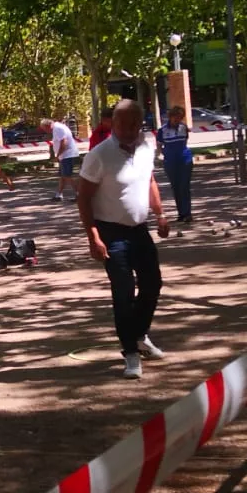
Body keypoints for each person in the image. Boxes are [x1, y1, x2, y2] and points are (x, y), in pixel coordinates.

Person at [76, 100, 170, 381]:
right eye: (124, 123)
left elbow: (150, 180)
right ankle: (130, 351)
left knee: (152, 284)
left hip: (139, 229)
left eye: (135, 123)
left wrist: (161, 213)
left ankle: (140, 335)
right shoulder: (99, 155)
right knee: (124, 291)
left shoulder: (145, 146)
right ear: (112, 123)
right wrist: (93, 237)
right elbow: (83, 198)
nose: (130, 129)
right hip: (110, 232)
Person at [158, 105, 193, 226]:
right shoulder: (162, 130)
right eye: (175, 118)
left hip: (185, 160)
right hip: (170, 161)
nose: (177, 120)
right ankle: (181, 213)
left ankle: (187, 213)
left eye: (180, 118)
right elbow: (159, 145)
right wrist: (163, 154)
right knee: (176, 187)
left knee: (184, 186)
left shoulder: (184, 127)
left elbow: (185, 141)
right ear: (170, 117)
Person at [42, 117, 82, 202]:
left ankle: (79, 195)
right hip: (64, 155)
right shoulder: (57, 127)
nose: (45, 131)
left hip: (67, 155)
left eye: (44, 128)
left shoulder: (58, 129)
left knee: (67, 176)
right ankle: (59, 195)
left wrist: (57, 155)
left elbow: (64, 142)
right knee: (62, 176)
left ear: (48, 125)